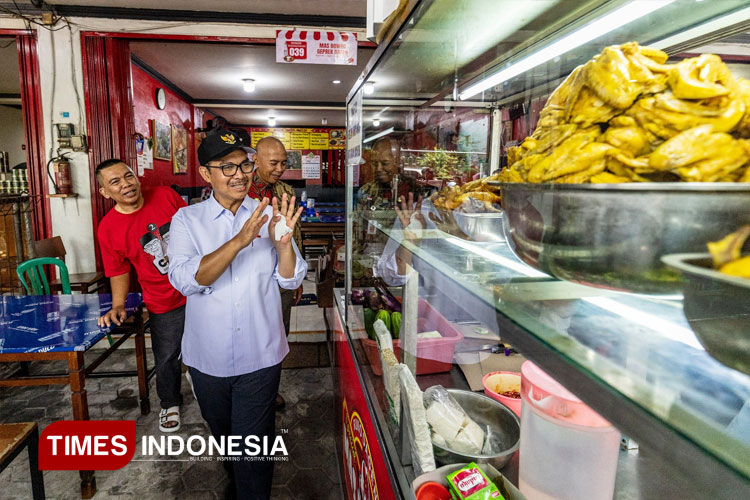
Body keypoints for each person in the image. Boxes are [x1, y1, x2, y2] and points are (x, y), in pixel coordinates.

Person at [168, 130, 306, 499]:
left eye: (244, 165)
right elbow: (186, 279)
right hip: (207, 357)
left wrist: (284, 244)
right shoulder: (186, 220)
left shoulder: (268, 214)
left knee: (254, 447)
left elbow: (291, 280)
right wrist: (240, 241)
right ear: (205, 173)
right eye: (227, 167)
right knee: (226, 435)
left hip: (260, 354)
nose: (240, 174)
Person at [95, 159, 187, 433]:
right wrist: (119, 304)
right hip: (162, 297)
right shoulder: (108, 228)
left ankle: (209, 386)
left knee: (213, 342)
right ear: (105, 192)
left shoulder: (165, 196)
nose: (126, 184)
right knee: (168, 354)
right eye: (115, 182)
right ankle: (170, 403)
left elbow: (196, 229)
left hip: (199, 285)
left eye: (129, 176)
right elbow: (118, 270)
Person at [247, 136, 303, 410]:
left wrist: (297, 275)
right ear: (255, 160)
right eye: (274, 163)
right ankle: (249, 388)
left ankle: (270, 389)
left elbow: (296, 235)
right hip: (249, 275)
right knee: (249, 332)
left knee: (278, 333)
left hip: (282, 274)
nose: (280, 168)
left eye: (284, 162)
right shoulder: (240, 190)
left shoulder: (285, 191)